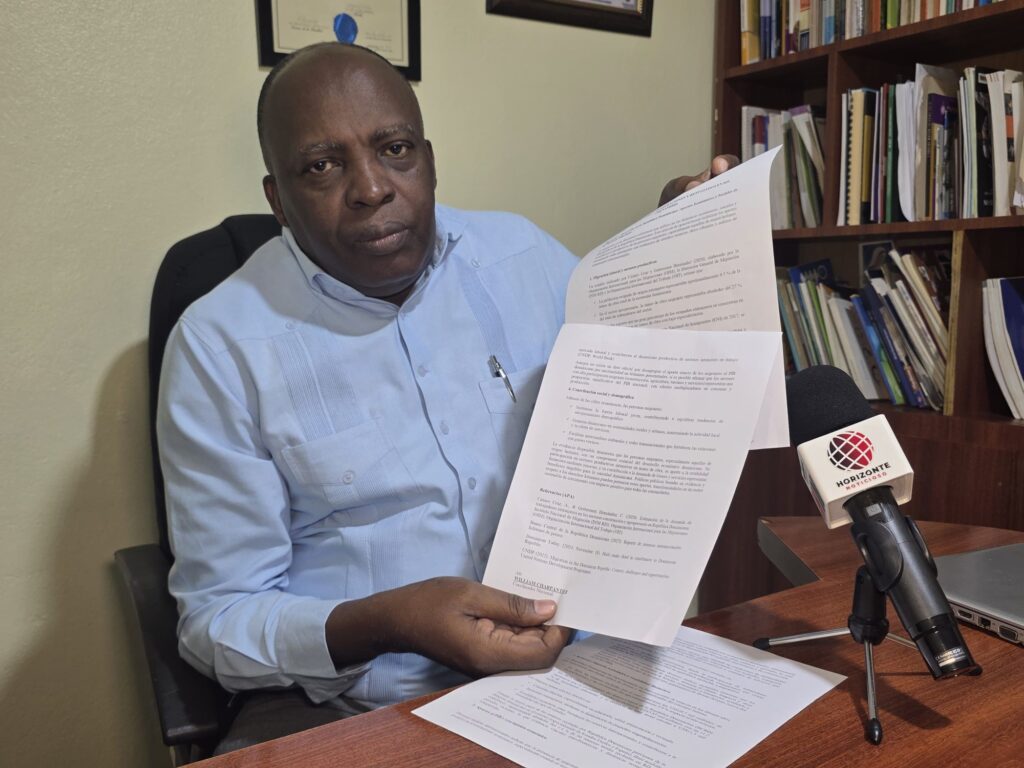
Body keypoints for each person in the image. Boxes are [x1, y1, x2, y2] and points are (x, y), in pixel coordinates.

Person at [157, 41, 736, 753]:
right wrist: (390, 620)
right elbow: (217, 620)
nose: (372, 188)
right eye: (322, 166)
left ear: (428, 160)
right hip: (367, 708)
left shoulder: (524, 257)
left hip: (580, 667)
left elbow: (635, 400)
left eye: (394, 149)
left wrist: (677, 260)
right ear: (277, 198)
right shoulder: (219, 347)